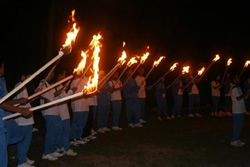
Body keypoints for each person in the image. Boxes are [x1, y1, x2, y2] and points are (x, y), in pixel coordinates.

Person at [0, 58, 32, 167]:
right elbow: (0, 103)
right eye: (3, 67)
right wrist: (21, 110)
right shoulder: (18, 85)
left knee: (17, 136)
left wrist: (19, 101)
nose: (4, 69)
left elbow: (5, 101)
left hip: (5, 120)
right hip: (2, 121)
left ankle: (14, 154)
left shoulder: (2, 81)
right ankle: (18, 158)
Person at [39, 71, 63, 161]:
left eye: (53, 73)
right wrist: (45, 99)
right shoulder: (43, 82)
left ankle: (53, 149)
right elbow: (38, 94)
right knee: (51, 132)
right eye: (51, 73)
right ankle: (46, 152)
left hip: (55, 110)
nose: (53, 75)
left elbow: (54, 95)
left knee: (58, 130)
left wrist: (63, 88)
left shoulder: (51, 84)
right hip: (49, 111)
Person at [14, 73, 35, 167]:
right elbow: (19, 101)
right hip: (23, 119)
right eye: (28, 76)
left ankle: (23, 157)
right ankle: (21, 162)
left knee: (26, 140)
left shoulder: (23, 86)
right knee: (24, 141)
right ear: (23, 77)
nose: (30, 78)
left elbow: (25, 101)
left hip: (26, 119)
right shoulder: (19, 85)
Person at [54, 70, 77, 156]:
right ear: (59, 75)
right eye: (63, 74)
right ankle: (65, 147)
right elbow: (64, 97)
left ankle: (61, 146)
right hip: (61, 112)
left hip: (63, 112)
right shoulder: (56, 86)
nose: (64, 76)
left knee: (64, 131)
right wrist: (71, 91)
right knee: (65, 131)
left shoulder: (59, 85)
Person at [70, 72, 89, 146]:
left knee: (82, 122)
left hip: (85, 105)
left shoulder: (86, 80)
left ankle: (78, 136)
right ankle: (73, 138)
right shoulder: (74, 81)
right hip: (77, 105)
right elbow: (72, 93)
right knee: (76, 122)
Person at [230, 74, 249, 147]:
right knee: (236, 125)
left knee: (240, 125)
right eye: (237, 77)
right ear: (234, 80)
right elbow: (238, 98)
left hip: (241, 110)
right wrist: (244, 95)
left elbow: (245, 97)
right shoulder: (234, 88)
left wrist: (247, 92)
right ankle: (234, 140)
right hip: (237, 110)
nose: (239, 78)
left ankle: (237, 139)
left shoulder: (238, 88)